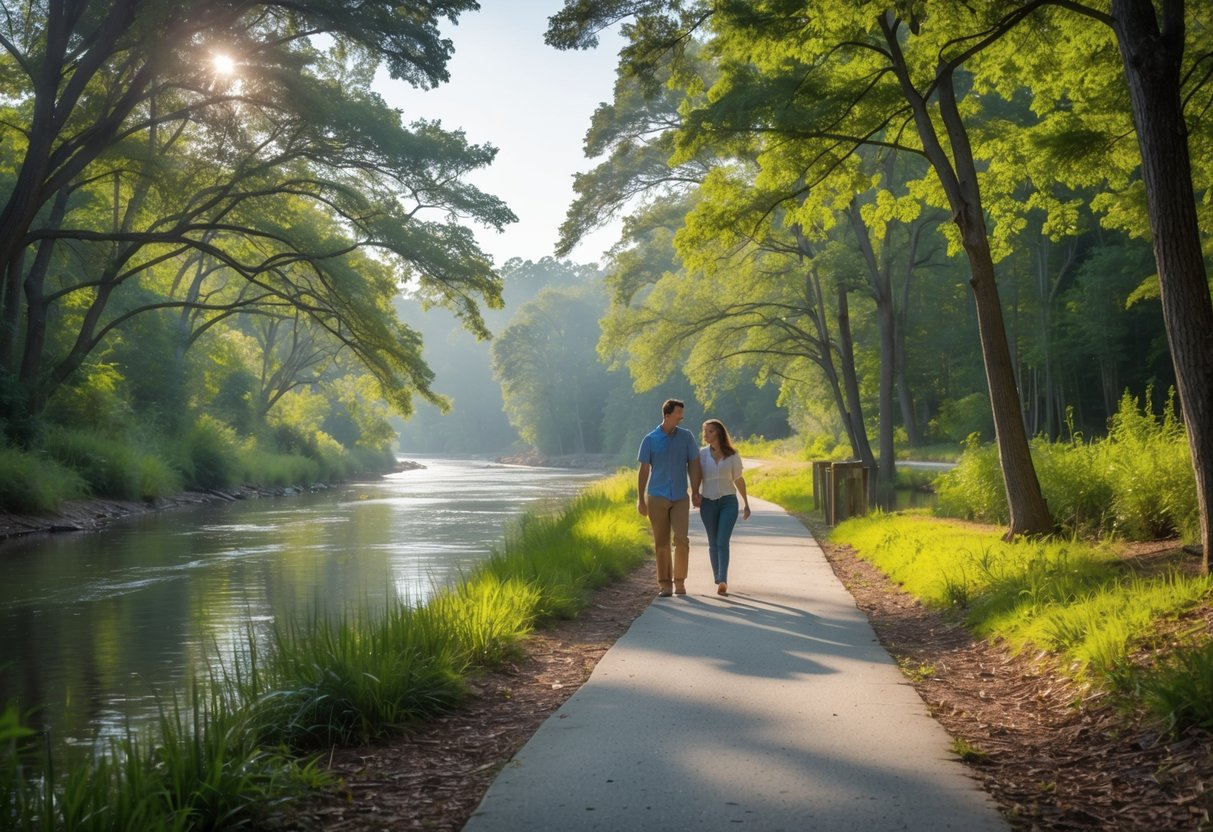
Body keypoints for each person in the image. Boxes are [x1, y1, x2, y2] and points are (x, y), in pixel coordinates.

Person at [637, 399, 702, 597]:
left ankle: (680, 580)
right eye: (678, 414)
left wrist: (696, 490)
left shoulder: (686, 437)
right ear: (667, 415)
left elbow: (693, 463)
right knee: (661, 542)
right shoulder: (650, 439)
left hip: (681, 497)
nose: (681, 417)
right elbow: (644, 470)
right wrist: (641, 499)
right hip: (657, 497)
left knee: (681, 539)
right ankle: (665, 584)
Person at [697, 418, 750, 596]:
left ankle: (723, 580)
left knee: (722, 541)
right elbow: (696, 476)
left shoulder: (732, 455)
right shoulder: (702, 454)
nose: (706, 435)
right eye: (704, 431)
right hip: (708, 503)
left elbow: (738, 478)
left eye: (709, 431)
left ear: (718, 432)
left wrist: (746, 504)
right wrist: (695, 493)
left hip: (728, 501)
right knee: (713, 542)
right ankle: (717, 576)